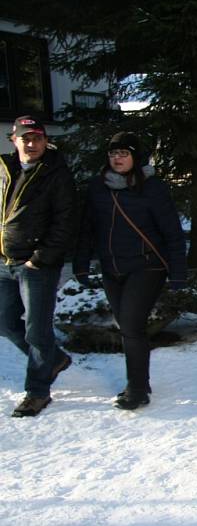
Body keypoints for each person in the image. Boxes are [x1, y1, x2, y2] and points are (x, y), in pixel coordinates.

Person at [73, 132, 187, 410]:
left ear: (136, 157)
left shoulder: (152, 187)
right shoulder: (98, 187)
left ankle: (137, 389)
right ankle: (139, 382)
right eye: (113, 154)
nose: (117, 158)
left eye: (124, 153)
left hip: (147, 266)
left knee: (132, 326)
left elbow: (172, 230)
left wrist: (178, 271)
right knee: (125, 326)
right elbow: (87, 229)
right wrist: (81, 263)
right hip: (112, 267)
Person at [0, 116, 76, 417]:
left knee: (37, 328)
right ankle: (53, 359)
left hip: (36, 265)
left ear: (46, 141)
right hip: (4, 261)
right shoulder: (4, 170)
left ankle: (37, 391)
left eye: (37, 138)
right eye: (26, 138)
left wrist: (41, 257)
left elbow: (66, 220)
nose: (32, 144)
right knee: (5, 322)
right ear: (14, 140)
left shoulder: (56, 174)